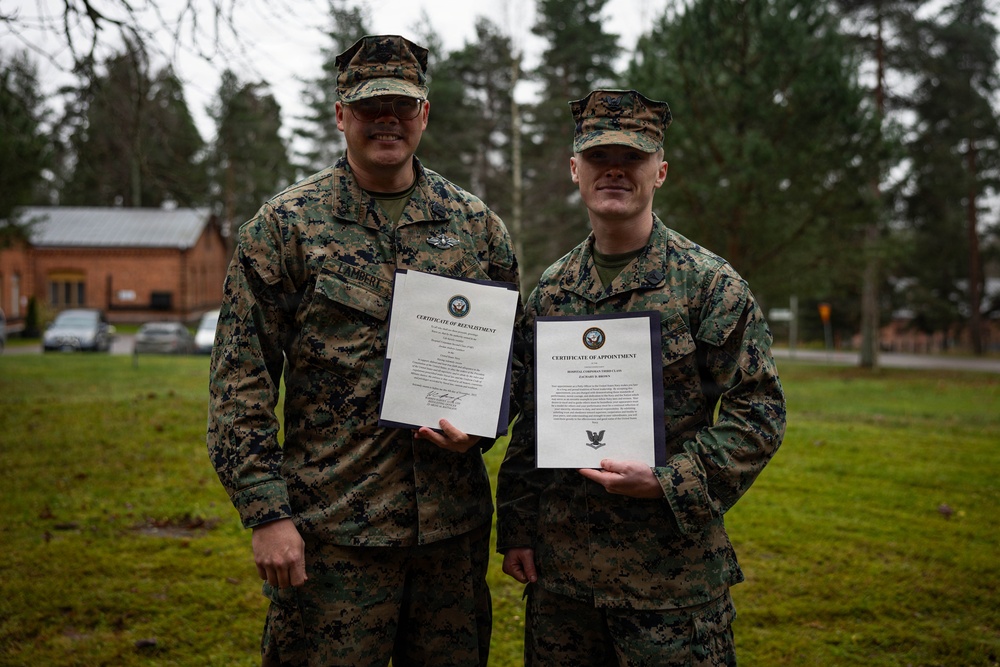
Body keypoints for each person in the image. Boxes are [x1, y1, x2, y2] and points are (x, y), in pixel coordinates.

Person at [206, 34, 520, 667]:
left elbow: (513, 364)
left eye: (402, 107)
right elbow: (240, 382)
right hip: (333, 535)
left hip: (449, 539)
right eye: (370, 106)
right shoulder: (284, 228)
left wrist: (482, 431)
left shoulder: (477, 228)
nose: (387, 121)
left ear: (424, 114)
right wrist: (266, 513)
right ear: (341, 114)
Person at [495, 89, 786, 666]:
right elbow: (533, 418)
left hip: (670, 586)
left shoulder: (708, 285)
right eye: (600, 157)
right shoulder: (553, 290)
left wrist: (669, 480)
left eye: (632, 158)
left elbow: (759, 412)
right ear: (575, 170)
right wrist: (519, 526)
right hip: (564, 588)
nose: (615, 171)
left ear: (661, 171)